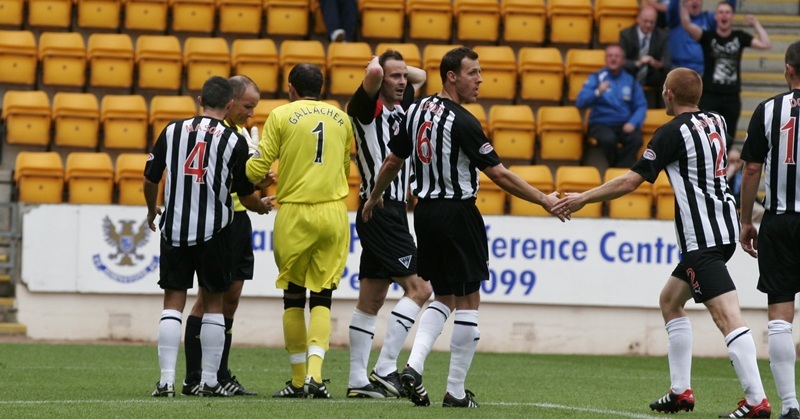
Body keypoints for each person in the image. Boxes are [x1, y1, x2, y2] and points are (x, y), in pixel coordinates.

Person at [553, 67, 772, 419]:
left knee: (727, 316)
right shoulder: (715, 121)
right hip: (722, 229)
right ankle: (680, 391)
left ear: (667, 93)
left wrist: (583, 199)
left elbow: (629, 182)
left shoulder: (670, 132)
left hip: (702, 238)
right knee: (670, 301)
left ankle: (756, 400)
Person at [361, 46, 566, 408]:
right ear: (452, 77)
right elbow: (499, 173)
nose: (480, 79)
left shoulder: (416, 110)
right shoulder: (464, 121)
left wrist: (374, 196)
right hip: (457, 213)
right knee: (469, 301)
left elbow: (393, 160)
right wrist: (544, 200)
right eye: (473, 73)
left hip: (424, 215)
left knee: (443, 296)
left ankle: (413, 366)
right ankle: (455, 391)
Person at [145, 76, 274, 398]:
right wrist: (260, 206)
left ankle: (165, 381)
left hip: (174, 228)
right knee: (214, 303)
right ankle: (210, 381)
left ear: (199, 99)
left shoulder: (172, 129)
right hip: (216, 231)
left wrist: (152, 210)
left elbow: (150, 177)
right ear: (229, 104)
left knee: (173, 303)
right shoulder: (235, 141)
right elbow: (244, 197)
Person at [245, 63, 354, 399]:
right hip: (334, 212)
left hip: (295, 211)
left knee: (293, 295)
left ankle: (296, 381)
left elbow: (255, 172)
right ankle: (316, 379)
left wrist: (250, 153)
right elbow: (346, 166)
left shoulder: (280, 115)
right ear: (321, 87)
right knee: (323, 296)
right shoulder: (342, 118)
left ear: (291, 87)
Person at [345, 51, 431, 399]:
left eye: (402, 77)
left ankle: (356, 382)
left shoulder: (400, 106)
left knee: (372, 299)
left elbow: (421, 75)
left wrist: (397, 69)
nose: (402, 82)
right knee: (421, 289)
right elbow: (376, 74)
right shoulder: (367, 110)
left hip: (392, 211)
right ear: (380, 80)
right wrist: (379, 64)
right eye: (394, 77)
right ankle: (385, 368)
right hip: (378, 207)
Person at [181, 75, 269, 397]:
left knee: (229, 301)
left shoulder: (243, 133)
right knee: (207, 301)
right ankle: (194, 378)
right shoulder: (217, 136)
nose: (251, 113)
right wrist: (256, 185)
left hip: (241, 222)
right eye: (248, 106)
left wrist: (260, 188)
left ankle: (219, 373)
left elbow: (245, 185)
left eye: (255, 107)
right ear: (231, 102)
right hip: (220, 223)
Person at [739, 40, 800, 419]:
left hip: (778, 220)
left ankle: (791, 406)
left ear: (788, 68)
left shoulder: (768, 110)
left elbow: (749, 169)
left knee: (780, 314)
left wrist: (747, 221)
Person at [680, 0, 772, 152]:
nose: (724, 15)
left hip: (731, 98)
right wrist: (684, 5)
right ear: (716, 16)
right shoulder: (707, 36)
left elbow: (766, 44)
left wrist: (755, 23)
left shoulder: (739, 36)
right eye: (721, 12)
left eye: (727, 12)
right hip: (710, 96)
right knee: (705, 140)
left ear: (732, 16)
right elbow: (687, 25)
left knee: (726, 142)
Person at [576, 44, 647, 168]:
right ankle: (618, 172)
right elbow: (581, 102)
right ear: (605, 59)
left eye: (617, 56)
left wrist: (633, 122)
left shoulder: (630, 81)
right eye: (610, 56)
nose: (613, 59)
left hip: (623, 124)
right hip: (600, 123)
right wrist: (597, 92)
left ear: (623, 60)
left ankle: (616, 170)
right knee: (608, 139)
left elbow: (641, 105)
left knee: (636, 140)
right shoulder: (596, 78)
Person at [667, 0, 736, 75]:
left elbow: (729, 6)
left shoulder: (709, 19)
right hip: (677, 69)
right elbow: (672, 6)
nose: (694, 1)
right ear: (684, 2)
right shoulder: (675, 19)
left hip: (703, 71)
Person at [620, 5, 670, 108]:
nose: (648, 25)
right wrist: (637, 63)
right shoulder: (626, 34)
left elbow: (667, 63)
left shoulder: (662, 36)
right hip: (631, 74)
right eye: (645, 21)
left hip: (652, 75)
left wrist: (656, 64)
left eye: (652, 22)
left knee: (668, 79)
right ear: (638, 19)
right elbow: (621, 61)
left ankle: (664, 112)